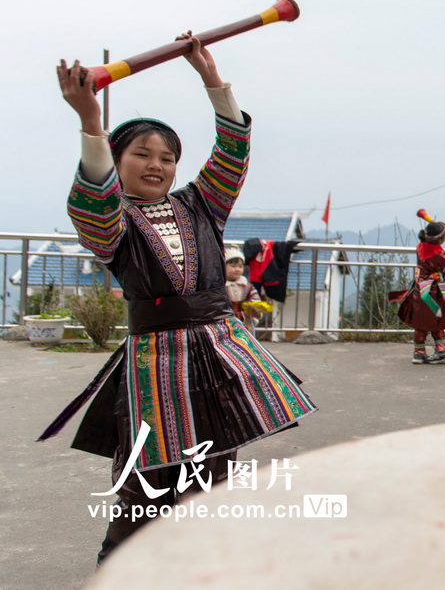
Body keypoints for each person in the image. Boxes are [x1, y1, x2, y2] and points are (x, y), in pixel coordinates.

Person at [45, 37, 317, 564]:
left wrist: (211, 78)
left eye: (167, 158)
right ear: (118, 161)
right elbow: (94, 198)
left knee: (212, 478)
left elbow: (233, 151)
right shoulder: (113, 223)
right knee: (144, 484)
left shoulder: (201, 204)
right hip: (154, 366)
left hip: (219, 353)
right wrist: (89, 121)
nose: (157, 165)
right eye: (141, 154)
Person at [392, 221, 445, 364]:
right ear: (440, 239)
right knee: (437, 321)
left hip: (420, 289)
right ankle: (441, 350)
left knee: (420, 321)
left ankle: (419, 353)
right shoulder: (438, 255)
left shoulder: (420, 247)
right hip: (434, 291)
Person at [224, 247, 262, 333]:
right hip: (225, 322)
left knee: (245, 343)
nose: (237, 269)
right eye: (233, 266)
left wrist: (254, 307)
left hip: (245, 322)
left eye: (240, 266)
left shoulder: (247, 286)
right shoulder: (220, 287)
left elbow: (255, 299)